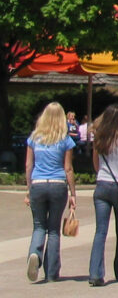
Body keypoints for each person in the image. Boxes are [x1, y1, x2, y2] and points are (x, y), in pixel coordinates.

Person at [25, 102, 77, 283]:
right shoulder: (65, 140)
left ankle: (35, 254)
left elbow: (28, 165)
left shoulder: (34, 138)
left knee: (39, 226)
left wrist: (28, 189)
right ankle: (52, 273)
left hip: (38, 183)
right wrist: (73, 194)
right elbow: (68, 168)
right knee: (54, 230)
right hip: (57, 185)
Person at [89, 103, 118, 286]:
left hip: (102, 185)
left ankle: (95, 273)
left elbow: (96, 165)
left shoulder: (99, 139)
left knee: (100, 231)